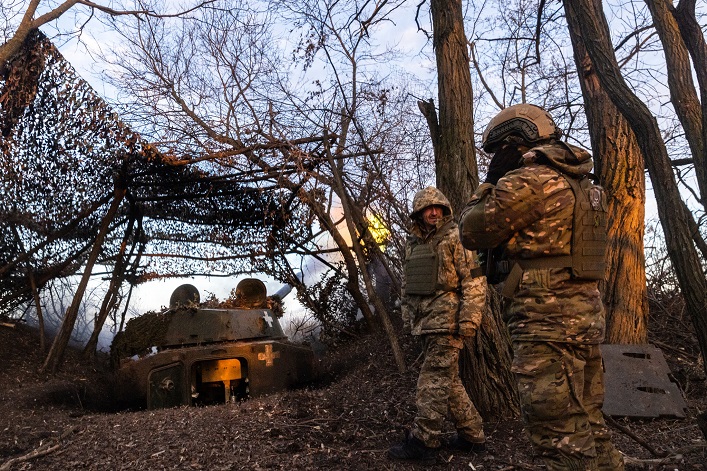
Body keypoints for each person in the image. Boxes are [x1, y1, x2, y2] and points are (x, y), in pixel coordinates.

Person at [458, 104, 624, 471]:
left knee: (559, 439)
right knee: (591, 427)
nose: (498, 158)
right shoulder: (583, 183)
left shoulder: (532, 180)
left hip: (546, 323)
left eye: (500, 150)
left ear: (515, 142)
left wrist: (488, 183)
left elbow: (471, 230)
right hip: (584, 319)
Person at [388, 186, 487, 465]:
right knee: (449, 381)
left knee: (430, 381)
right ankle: (473, 435)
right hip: (425, 323)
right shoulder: (413, 244)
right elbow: (408, 286)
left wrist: (469, 318)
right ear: (418, 213)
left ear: (445, 210)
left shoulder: (459, 237)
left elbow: (475, 280)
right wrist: (408, 317)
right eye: (428, 209)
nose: (433, 212)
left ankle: (424, 441)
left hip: (448, 323)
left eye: (438, 208)